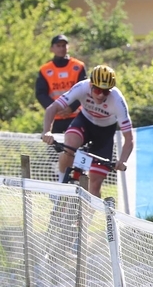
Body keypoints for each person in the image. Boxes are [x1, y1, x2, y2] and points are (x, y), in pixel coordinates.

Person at [41, 65, 134, 198]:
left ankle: (91, 211)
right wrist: (47, 132)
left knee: (95, 185)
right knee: (69, 145)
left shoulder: (117, 100)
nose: (101, 95)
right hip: (84, 123)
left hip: (105, 133)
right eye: (97, 90)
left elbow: (129, 138)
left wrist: (123, 160)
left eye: (106, 91)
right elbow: (52, 108)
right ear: (90, 85)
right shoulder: (82, 87)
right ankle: (61, 184)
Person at [36, 34, 87, 134]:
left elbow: (84, 90)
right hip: (55, 118)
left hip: (76, 115)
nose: (61, 48)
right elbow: (41, 93)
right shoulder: (45, 70)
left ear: (68, 47)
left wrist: (71, 108)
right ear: (52, 48)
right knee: (53, 143)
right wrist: (55, 109)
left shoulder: (78, 66)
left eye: (64, 45)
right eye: (58, 46)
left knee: (78, 143)